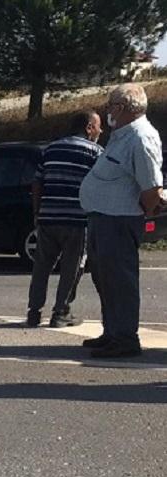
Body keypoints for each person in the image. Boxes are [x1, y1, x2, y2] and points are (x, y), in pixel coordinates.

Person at [79, 83, 163, 358]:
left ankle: (125, 338)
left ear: (126, 108)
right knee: (105, 279)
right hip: (104, 217)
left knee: (119, 281)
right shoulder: (121, 134)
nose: (108, 110)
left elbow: (151, 187)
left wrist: (147, 210)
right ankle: (113, 331)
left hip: (119, 220)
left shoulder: (141, 137)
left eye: (112, 105)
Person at [26, 111, 103, 328]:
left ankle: (34, 311)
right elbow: (101, 184)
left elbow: (37, 183)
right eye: (98, 126)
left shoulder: (51, 149)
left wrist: (37, 213)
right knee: (72, 268)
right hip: (77, 219)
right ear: (89, 127)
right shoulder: (95, 152)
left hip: (49, 216)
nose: (101, 131)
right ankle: (60, 312)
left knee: (41, 266)